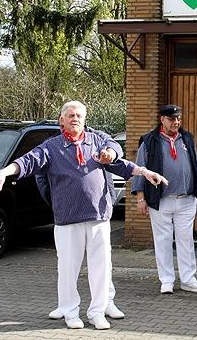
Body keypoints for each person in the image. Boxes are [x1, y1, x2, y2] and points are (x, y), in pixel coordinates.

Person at [0, 101, 168, 330]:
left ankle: (97, 312)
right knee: (68, 269)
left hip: (98, 216)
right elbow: (27, 161)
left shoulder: (96, 142)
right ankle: (70, 312)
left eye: (79, 115)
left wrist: (145, 172)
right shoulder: (51, 147)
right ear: (62, 120)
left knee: (101, 268)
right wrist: (5, 171)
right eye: (70, 115)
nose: (75, 119)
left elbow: (120, 165)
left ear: (85, 119)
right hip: (68, 219)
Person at [35, 126, 125, 322]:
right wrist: (56, 200)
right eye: (67, 118)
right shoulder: (53, 144)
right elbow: (41, 176)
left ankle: (106, 303)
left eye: (78, 116)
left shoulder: (97, 137)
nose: (72, 122)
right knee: (67, 263)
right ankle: (66, 306)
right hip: (68, 214)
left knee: (102, 263)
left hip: (97, 211)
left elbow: (114, 151)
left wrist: (109, 200)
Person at [131, 104, 197, 294]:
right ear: (162, 120)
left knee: (186, 240)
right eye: (172, 119)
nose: (176, 122)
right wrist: (140, 198)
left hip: (186, 199)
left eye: (178, 119)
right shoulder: (149, 141)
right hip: (161, 199)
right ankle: (166, 280)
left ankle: (188, 280)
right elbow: (140, 169)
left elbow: (196, 165)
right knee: (163, 240)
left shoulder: (187, 138)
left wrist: (196, 185)